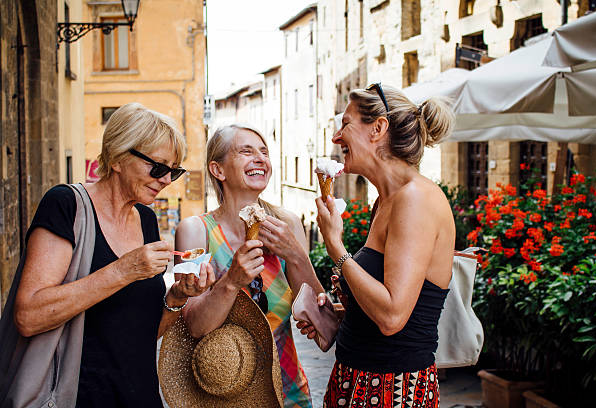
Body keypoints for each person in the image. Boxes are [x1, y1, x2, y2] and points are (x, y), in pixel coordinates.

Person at [11, 103, 215, 407]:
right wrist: (123, 270)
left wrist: (176, 297)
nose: (166, 180)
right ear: (119, 157)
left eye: (174, 171)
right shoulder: (66, 205)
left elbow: (141, 334)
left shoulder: (146, 219)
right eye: (158, 167)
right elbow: (28, 316)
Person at [298, 84, 456, 408]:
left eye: (345, 124)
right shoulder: (385, 201)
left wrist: (336, 248)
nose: (336, 137)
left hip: (392, 391)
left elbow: (392, 316)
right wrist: (339, 317)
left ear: (378, 129)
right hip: (358, 381)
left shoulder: (416, 199)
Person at [175, 124, 325, 408]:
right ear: (218, 170)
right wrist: (231, 281)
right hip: (221, 399)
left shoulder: (288, 225)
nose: (260, 158)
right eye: (246, 151)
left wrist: (296, 256)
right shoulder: (195, 232)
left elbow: (322, 324)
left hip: (289, 394)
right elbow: (191, 328)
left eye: (264, 152)